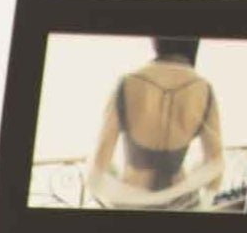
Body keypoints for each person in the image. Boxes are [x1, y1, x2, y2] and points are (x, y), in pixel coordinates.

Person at [88, 35, 222, 209]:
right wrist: (204, 205)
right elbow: (215, 163)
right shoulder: (204, 88)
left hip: (130, 204)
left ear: (156, 40)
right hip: (183, 204)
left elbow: (100, 164)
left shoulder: (127, 82)